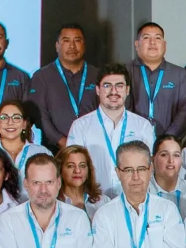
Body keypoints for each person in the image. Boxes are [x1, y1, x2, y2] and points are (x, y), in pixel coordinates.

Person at [66, 66, 154, 199]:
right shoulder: (80, 126)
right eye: (107, 86)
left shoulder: (142, 125)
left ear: (127, 90)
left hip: (133, 199)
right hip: (93, 200)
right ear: (97, 90)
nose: (114, 91)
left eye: (119, 86)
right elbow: (72, 168)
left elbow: (150, 166)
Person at [29, 24, 99, 147]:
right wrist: (62, 141)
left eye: (77, 40)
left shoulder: (97, 75)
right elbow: (40, 116)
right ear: (57, 46)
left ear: (84, 45)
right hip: (55, 149)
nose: (72, 46)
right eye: (66, 41)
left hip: (93, 146)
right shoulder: (42, 76)